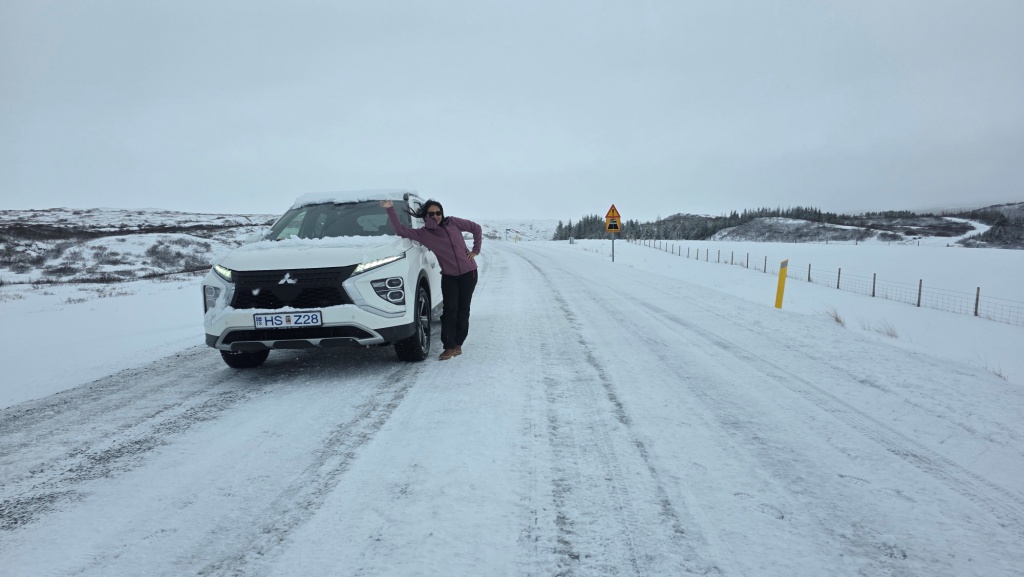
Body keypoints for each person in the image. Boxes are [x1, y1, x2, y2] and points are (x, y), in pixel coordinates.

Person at [380, 198, 482, 361]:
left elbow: (476, 228)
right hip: (449, 276)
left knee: (463, 310)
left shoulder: (453, 222)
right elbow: (400, 231)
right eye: (431, 214)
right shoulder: (424, 234)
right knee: (449, 311)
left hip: (469, 273)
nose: (435, 216)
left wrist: (475, 250)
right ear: (425, 216)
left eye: (438, 213)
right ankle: (448, 346)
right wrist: (390, 209)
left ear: (442, 213)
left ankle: (458, 344)